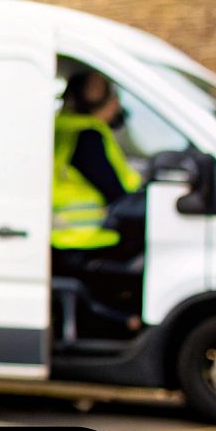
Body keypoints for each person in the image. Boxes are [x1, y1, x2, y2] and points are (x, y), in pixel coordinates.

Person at [52, 69, 144, 333]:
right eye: (113, 96)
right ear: (97, 99)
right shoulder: (87, 135)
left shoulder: (62, 127)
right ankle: (130, 323)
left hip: (61, 238)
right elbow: (116, 192)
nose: (118, 105)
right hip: (85, 241)